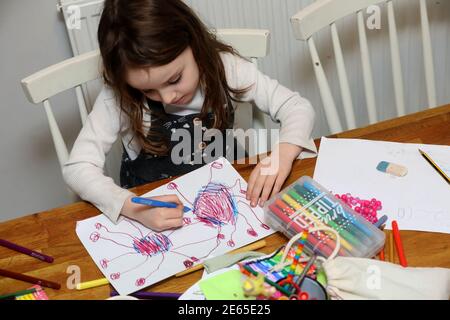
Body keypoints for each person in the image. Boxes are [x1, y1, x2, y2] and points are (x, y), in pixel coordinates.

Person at [63, 0, 317, 232]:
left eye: (174, 79)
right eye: (147, 90)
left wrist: (283, 154)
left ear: (193, 43)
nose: (167, 98)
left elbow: (298, 107)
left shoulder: (227, 67)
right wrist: (132, 206)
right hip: (159, 217)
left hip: (229, 205)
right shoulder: (118, 97)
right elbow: (78, 169)